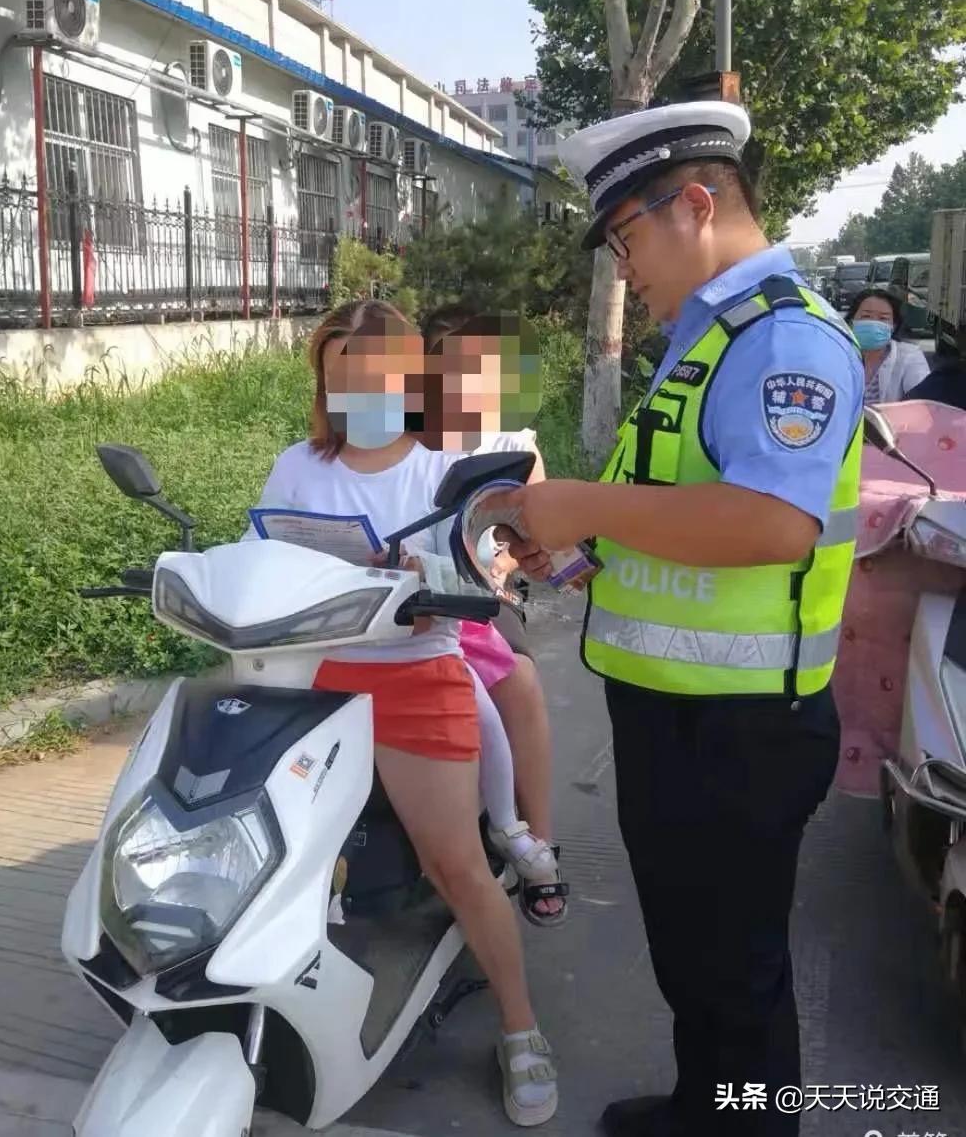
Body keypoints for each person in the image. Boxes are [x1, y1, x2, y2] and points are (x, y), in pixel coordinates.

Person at [493, 101, 864, 1137]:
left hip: (740, 732)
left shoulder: (782, 338)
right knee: (695, 960)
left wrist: (588, 505)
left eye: (626, 241)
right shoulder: (707, 344)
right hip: (678, 721)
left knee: (736, 975)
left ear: (694, 206)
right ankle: (706, 1108)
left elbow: (775, 523)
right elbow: (683, 509)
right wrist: (576, 550)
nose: (624, 270)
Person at [255, 299, 558, 1127]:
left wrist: (430, 578)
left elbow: (476, 588)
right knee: (277, 855)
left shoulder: (438, 471)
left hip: (417, 679)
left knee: (456, 865)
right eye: (340, 364)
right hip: (314, 682)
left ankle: (521, 1028)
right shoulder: (297, 465)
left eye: (376, 364)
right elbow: (260, 560)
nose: (358, 380)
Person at [421, 306, 568, 927]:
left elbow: (547, 546)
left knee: (521, 681)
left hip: (481, 597)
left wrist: (508, 561)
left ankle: (537, 841)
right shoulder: (401, 435)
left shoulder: (512, 444)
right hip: (396, 592)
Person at [844, 287, 929, 403]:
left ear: (893, 326)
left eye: (883, 318)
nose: (874, 323)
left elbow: (921, 404)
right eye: (866, 316)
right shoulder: (838, 355)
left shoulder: (909, 357)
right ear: (851, 321)